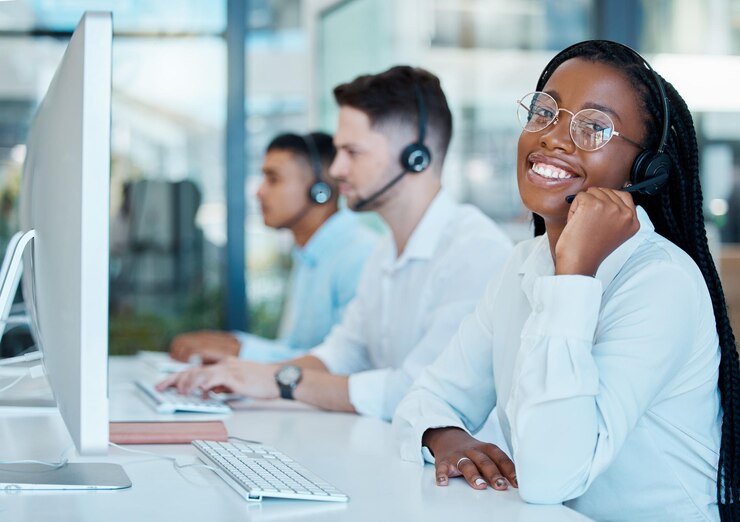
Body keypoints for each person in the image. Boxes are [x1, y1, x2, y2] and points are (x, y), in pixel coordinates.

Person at [394, 40, 740, 522]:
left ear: (646, 171)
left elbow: (552, 477)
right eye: (545, 112)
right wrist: (445, 434)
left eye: (594, 127)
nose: (554, 138)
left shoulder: (663, 284)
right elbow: (425, 397)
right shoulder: (523, 264)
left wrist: (574, 275)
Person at [158, 65, 514, 421]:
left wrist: (284, 382)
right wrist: (246, 377)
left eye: (352, 152)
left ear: (415, 156)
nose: (337, 169)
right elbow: (342, 354)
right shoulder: (384, 253)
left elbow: (419, 389)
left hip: (452, 474)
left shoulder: (474, 253)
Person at [169, 132, 377, 364]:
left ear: (321, 190)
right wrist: (231, 344)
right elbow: (295, 350)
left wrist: (239, 351)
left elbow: (349, 367)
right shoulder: (310, 255)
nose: (259, 192)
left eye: (273, 179)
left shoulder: (360, 256)